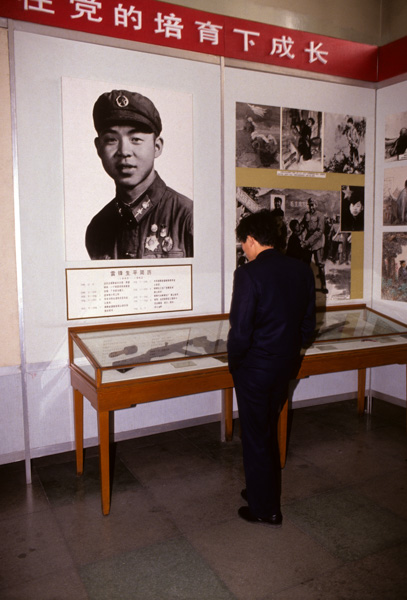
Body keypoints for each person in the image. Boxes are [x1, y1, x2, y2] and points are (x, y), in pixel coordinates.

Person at [227, 210, 316, 526]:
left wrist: (235, 362)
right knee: (264, 430)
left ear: (251, 240)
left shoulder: (248, 274)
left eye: (243, 244)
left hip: (255, 369)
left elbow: (240, 330)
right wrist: (291, 351)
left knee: (256, 435)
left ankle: (265, 509)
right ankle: (258, 490)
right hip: (286, 365)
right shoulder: (301, 270)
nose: (243, 250)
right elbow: (308, 326)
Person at [85, 89, 193, 259]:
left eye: (135, 139)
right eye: (112, 139)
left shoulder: (187, 216)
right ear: (99, 148)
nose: (124, 151)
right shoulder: (98, 228)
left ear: (157, 147)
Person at [300, 198, 328, 293]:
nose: (311, 207)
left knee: (320, 264)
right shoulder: (306, 215)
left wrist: (307, 242)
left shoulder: (320, 216)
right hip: (308, 242)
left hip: (317, 242)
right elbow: (302, 226)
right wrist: (297, 232)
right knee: (305, 264)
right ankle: (305, 286)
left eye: (313, 205)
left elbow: (319, 232)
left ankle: (323, 285)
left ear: (316, 205)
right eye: (310, 205)